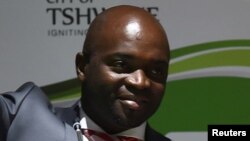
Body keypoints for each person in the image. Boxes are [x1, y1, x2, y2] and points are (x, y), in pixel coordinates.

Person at [0, 5, 171, 141]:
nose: (140, 82)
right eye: (121, 64)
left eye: (156, 71)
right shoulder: (23, 118)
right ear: (82, 67)